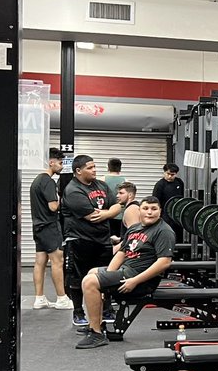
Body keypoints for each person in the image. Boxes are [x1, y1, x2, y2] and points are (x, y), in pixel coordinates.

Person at [76, 196, 176, 349]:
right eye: (146, 208)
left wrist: (135, 280)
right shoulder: (134, 228)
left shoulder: (163, 231)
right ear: (139, 211)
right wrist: (106, 282)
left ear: (160, 211)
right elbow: (121, 254)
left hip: (141, 280)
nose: (149, 212)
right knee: (92, 273)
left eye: (154, 209)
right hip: (126, 271)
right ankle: (97, 324)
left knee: (89, 282)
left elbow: (164, 262)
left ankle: (96, 334)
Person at [60, 154, 122, 328]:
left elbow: (117, 205)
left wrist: (108, 213)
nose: (94, 170)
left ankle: (107, 309)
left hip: (102, 240)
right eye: (90, 168)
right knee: (78, 278)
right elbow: (92, 216)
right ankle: (78, 312)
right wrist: (109, 212)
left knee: (106, 275)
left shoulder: (101, 185)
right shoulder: (73, 190)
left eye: (95, 166)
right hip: (80, 240)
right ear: (78, 171)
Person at [30, 149, 72, 309]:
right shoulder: (48, 181)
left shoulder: (36, 181)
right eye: (60, 163)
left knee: (40, 261)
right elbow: (53, 206)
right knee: (57, 261)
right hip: (49, 226)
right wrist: (63, 200)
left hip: (38, 226)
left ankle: (39, 298)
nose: (62, 167)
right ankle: (61, 298)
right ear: (51, 162)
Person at [154, 163, 186, 240]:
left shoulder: (179, 182)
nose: (170, 176)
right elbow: (155, 201)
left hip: (177, 214)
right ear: (164, 172)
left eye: (173, 174)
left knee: (178, 234)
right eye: (168, 174)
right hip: (165, 215)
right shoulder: (160, 185)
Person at [111, 181, 141, 247]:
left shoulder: (131, 209)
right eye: (117, 193)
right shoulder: (132, 207)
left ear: (130, 195)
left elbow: (134, 236)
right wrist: (119, 239)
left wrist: (115, 249)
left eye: (121, 193)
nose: (117, 196)